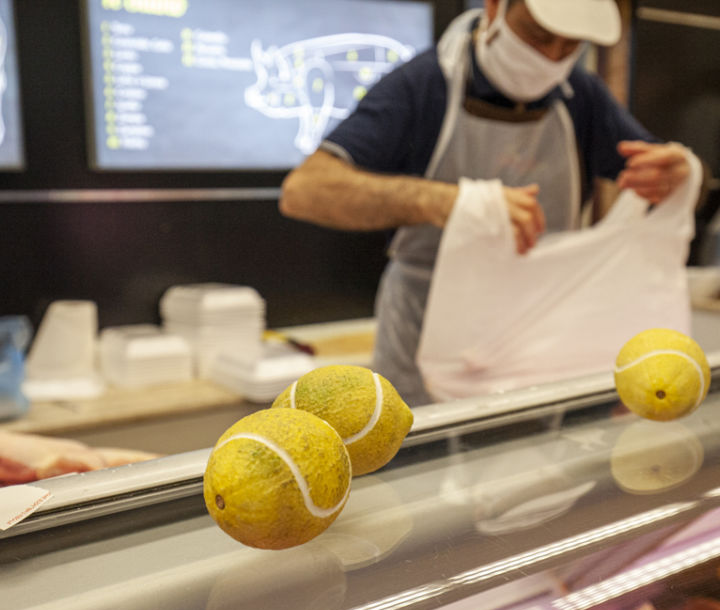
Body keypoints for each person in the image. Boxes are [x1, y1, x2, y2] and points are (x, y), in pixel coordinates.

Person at [279, 0, 692, 406]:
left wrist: (680, 173)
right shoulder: (423, 85)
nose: (549, 58)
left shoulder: (581, 95)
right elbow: (306, 191)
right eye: (537, 35)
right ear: (494, 8)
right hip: (422, 335)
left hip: (534, 335)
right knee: (420, 461)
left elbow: (656, 174)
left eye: (570, 47)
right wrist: (452, 202)